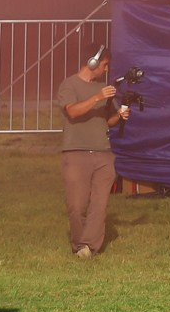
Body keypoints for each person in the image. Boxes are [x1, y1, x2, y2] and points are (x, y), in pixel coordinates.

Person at [56, 42, 132, 257]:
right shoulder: (69, 85)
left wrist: (120, 116)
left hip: (103, 153)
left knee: (99, 204)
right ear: (92, 62)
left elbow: (107, 121)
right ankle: (80, 244)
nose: (106, 70)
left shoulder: (104, 89)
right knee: (77, 205)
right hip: (76, 152)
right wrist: (98, 97)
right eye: (105, 65)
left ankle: (89, 247)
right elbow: (73, 112)